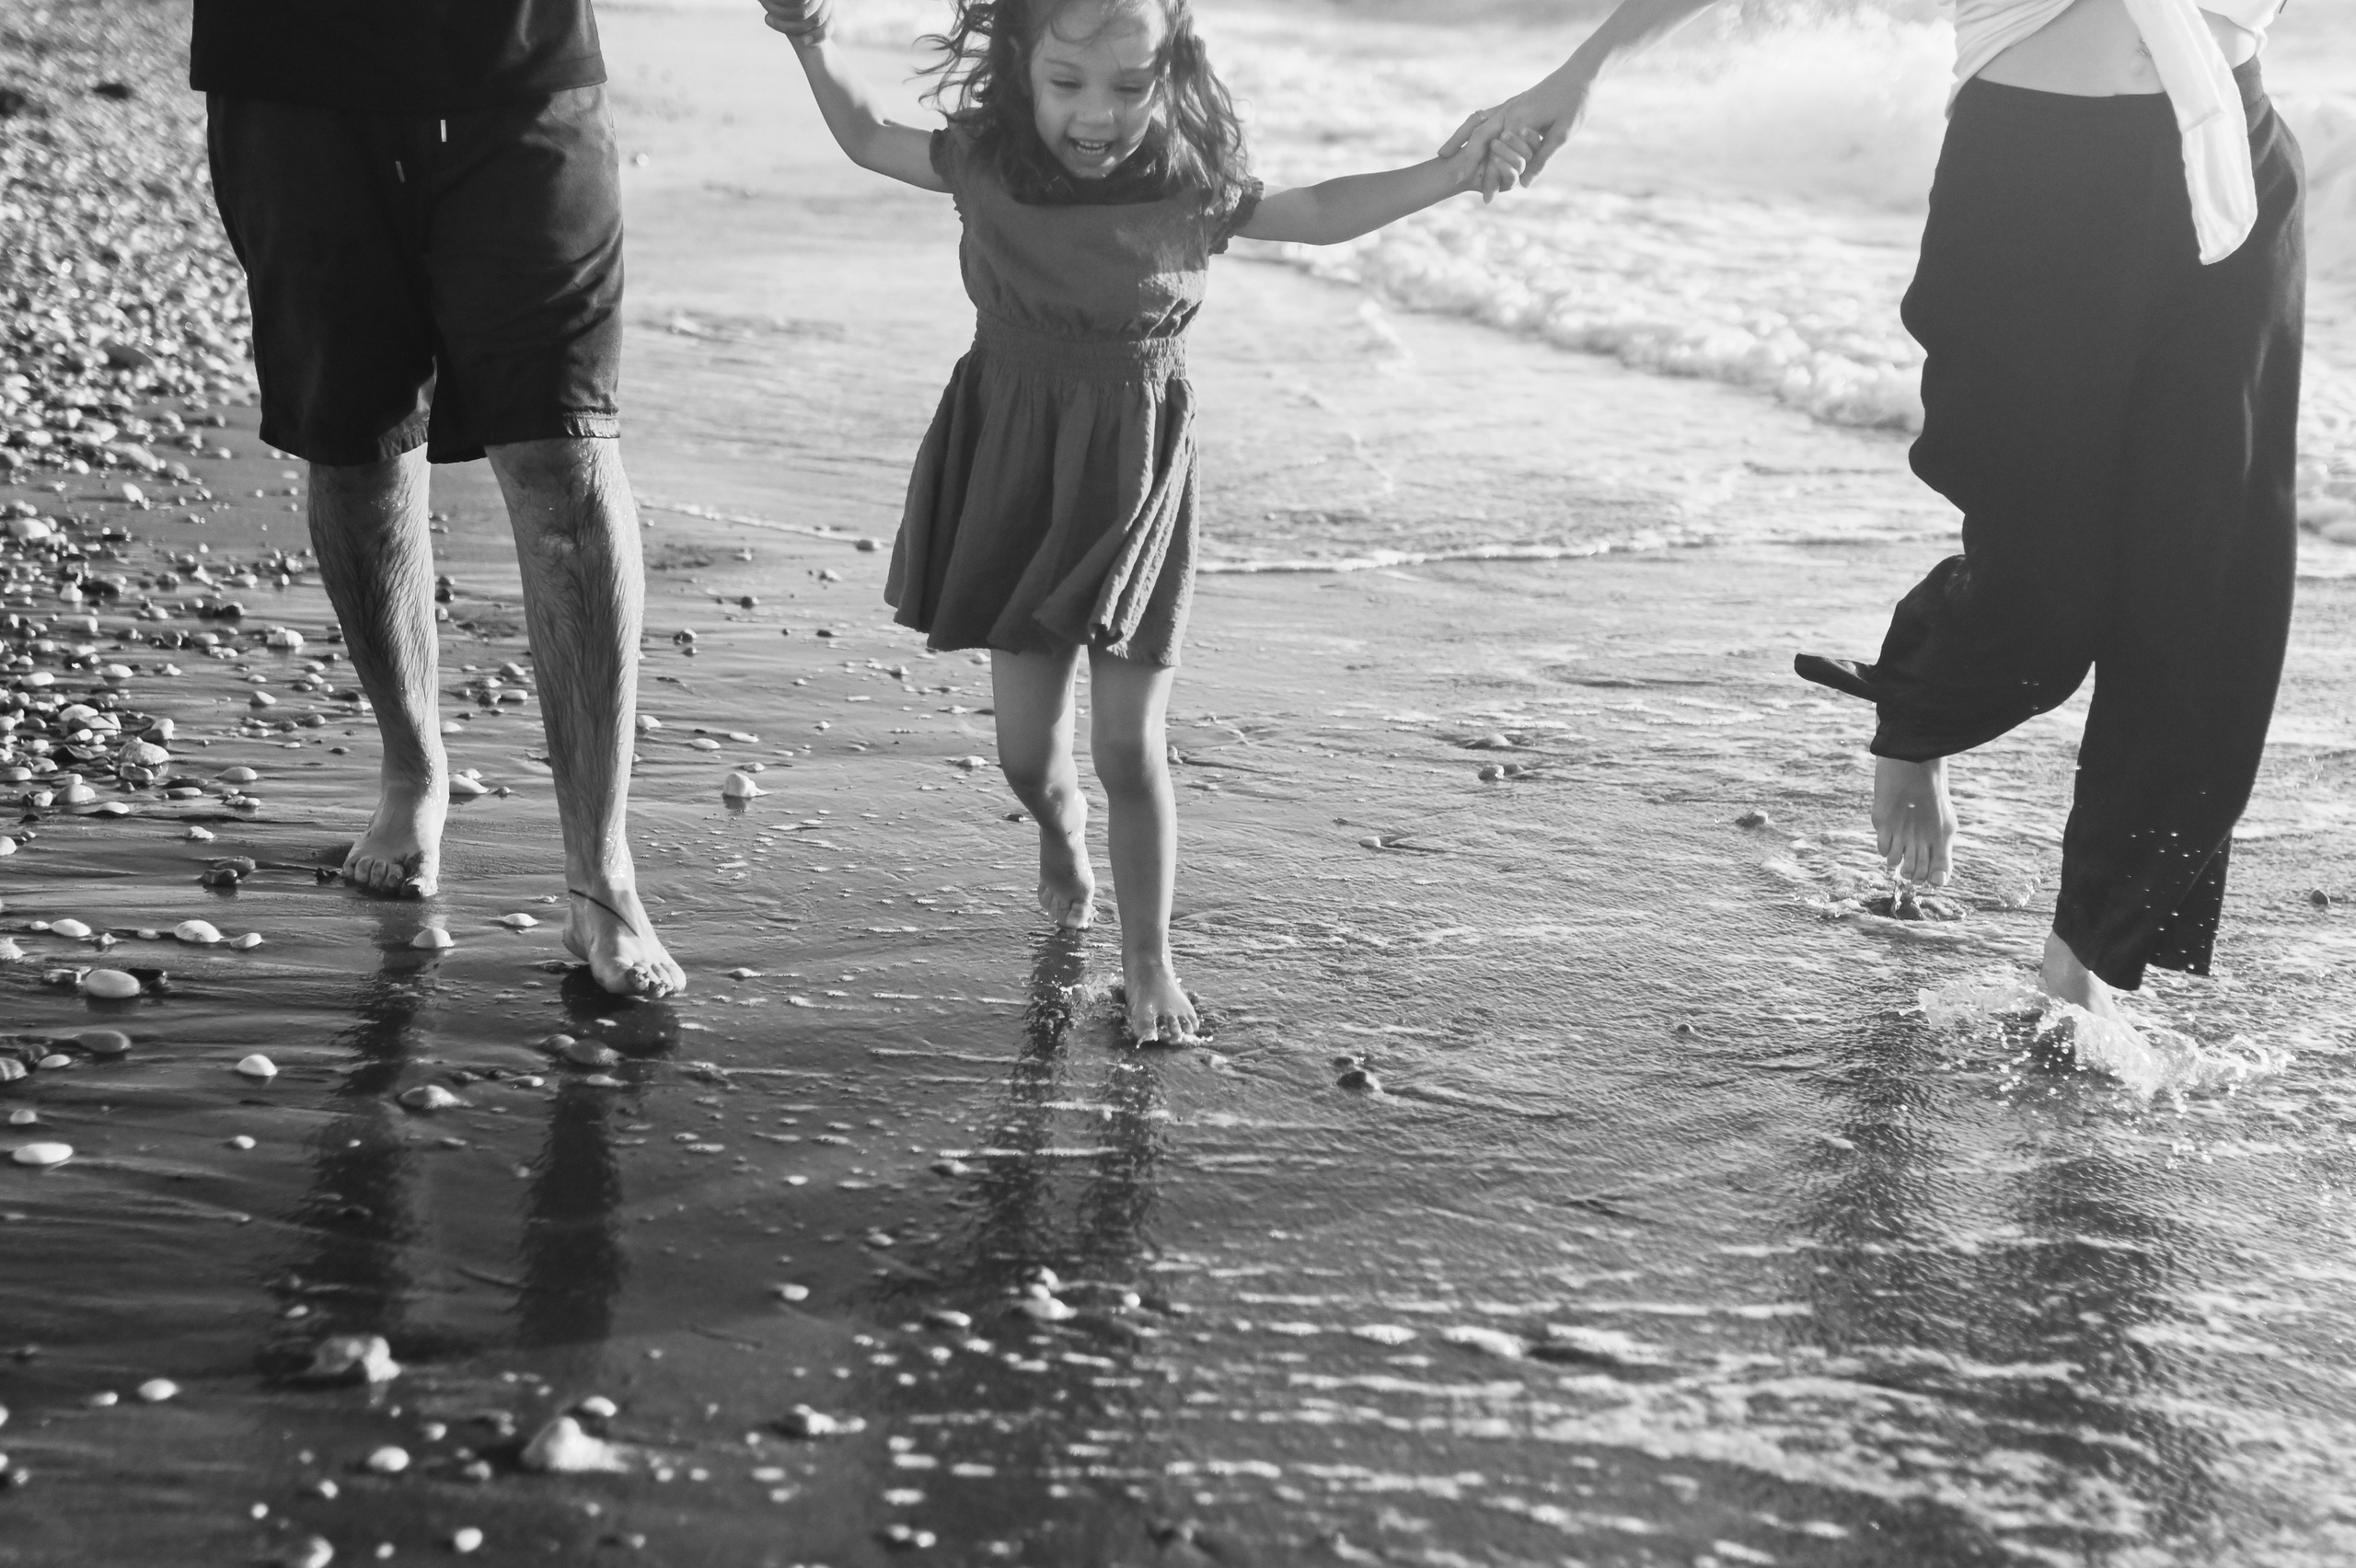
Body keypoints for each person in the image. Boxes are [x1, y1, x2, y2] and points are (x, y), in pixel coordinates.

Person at [1448, 0, 2301, 1020]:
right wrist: (1581, 69)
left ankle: (2083, 960)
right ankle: (1920, 711)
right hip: (2034, 173)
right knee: (2042, 592)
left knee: (2206, 584)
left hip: (2229, 171)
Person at [759, 0, 1530, 1043]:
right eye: (1068, 84)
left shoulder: (1188, 184)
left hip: (1138, 473)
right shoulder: (984, 165)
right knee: (1029, 762)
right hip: (1016, 463)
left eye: (1130, 87)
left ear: (1170, 77)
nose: (1098, 113)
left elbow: (1318, 210)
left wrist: (1449, 175)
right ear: (1021, 70)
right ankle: (1060, 832)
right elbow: (862, 137)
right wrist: (808, 37)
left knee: (1129, 746)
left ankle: (1149, 961)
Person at [188, 0, 684, 997]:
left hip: (520, 65)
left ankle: (601, 873)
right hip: (290, 74)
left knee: (565, 452)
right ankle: (413, 771)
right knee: (357, 444)